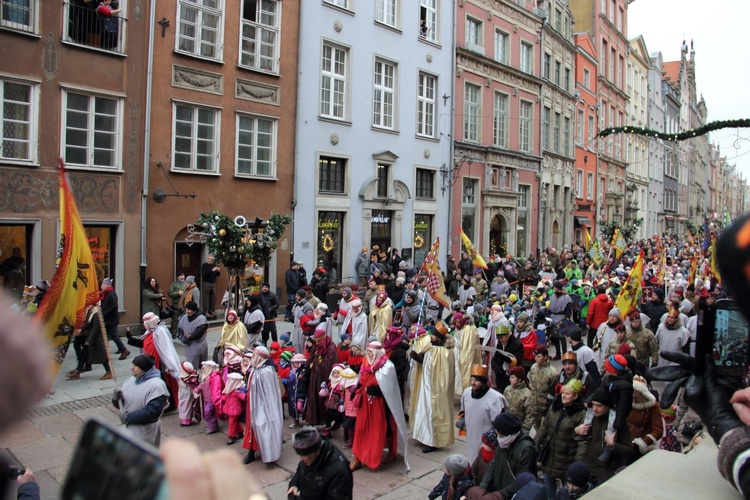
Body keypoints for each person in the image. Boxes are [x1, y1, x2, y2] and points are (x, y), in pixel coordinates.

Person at [350, 341, 410, 471]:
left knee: (377, 431)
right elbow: (361, 379)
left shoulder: (387, 367)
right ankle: (358, 458)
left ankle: (380, 456)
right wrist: (356, 390)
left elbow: (389, 389)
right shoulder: (365, 363)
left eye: (372, 353)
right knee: (360, 430)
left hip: (379, 405)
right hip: (365, 405)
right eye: (368, 352)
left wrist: (375, 390)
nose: (369, 355)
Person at [465, 413, 537, 500]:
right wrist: (482, 489)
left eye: (500, 435)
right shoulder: (504, 443)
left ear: (510, 434)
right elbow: (492, 466)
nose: (498, 438)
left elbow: (521, 480)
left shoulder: (527, 450)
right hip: (498, 491)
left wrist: (499, 495)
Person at [534, 380, 587, 499]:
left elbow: (582, 443)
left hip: (567, 458)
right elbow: (544, 428)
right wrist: (535, 444)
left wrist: (576, 465)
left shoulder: (580, 414)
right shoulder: (555, 407)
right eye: (563, 393)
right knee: (548, 480)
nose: (563, 395)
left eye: (567, 394)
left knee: (566, 488)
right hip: (550, 455)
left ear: (575, 396)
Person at [411, 321, 456, 453]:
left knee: (434, 413)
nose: (431, 337)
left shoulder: (446, 352)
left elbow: (444, 373)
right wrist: (417, 357)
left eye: (434, 335)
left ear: (440, 338)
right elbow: (426, 363)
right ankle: (424, 436)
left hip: (437, 390)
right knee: (425, 411)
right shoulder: (431, 348)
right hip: (427, 385)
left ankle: (433, 441)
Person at [126, 312, 181, 413]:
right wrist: (129, 337)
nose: (144, 324)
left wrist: (169, 365)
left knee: (165, 384)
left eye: (145, 322)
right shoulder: (150, 332)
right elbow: (143, 343)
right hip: (152, 364)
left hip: (161, 364)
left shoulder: (160, 332)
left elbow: (166, 350)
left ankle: (170, 403)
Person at [577, 386, 632, 482]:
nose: (595, 409)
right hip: (590, 469)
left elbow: (629, 449)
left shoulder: (618, 423)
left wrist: (613, 445)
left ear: (608, 406)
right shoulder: (591, 418)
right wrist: (576, 431)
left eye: (599, 406)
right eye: (593, 405)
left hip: (607, 473)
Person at [112, 354, 168, 447]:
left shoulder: (157, 385)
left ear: (144, 368)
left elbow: (153, 412)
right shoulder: (130, 380)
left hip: (146, 431)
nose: (132, 368)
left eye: (136, 366)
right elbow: (122, 405)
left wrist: (129, 417)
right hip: (129, 428)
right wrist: (116, 399)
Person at [457, 364, 508, 464]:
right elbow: (463, 410)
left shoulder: (495, 398)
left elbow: (500, 424)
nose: (473, 383)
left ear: (484, 382)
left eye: (476, 380)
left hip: (487, 443)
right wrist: (462, 419)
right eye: (472, 380)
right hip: (471, 438)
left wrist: (490, 441)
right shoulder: (467, 393)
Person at [242, 346, 284, 464]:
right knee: (252, 428)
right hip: (252, 405)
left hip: (262, 407)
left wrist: (264, 408)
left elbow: (269, 394)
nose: (252, 358)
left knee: (263, 427)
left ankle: (268, 451)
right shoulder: (255, 369)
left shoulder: (266, 372)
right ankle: (251, 451)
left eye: (255, 356)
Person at [288, 426, 353, 499]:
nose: (301, 459)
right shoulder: (309, 455)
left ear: (317, 451)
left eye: (304, 455)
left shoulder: (339, 470)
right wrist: (294, 484)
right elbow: (300, 471)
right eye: (300, 455)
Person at [67, 304, 113, 381]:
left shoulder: (97, 314)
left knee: (102, 357)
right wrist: (81, 330)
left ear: (94, 305)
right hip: (92, 338)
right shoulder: (90, 313)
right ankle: (77, 372)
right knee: (83, 354)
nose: (88, 306)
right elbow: (88, 325)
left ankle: (109, 372)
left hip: (97, 340)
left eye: (90, 305)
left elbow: (95, 329)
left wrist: (88, 340)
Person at [303, 327, 339, 425]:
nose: (317, 343)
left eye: (319, 341)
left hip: (325, 377)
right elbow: (311, 358)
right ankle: (313, 419)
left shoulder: (331, 347)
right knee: (313, 397)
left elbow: (330, 362)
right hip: (314, 377)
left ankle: (326, 421)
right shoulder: (316, 346)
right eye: (316, 341)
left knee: (324, 399)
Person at [627, 374, 663, 460]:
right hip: (626, 444)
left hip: (642, 448)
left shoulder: (653, 407)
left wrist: (642, 443)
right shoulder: (628, 403)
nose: (634, 398)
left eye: (636, 396)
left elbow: (657, 430)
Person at [528, 347, 558, 432]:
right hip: (534, 404)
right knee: (536, 427)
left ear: (545, 357)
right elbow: (531, 383)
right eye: (535, 356)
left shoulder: (552, 372)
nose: (536, 358)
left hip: (546, 406)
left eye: (538, 356)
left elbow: (554, 392)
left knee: (546, 429)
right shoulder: (533, 367)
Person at [100, 278, 129, 360]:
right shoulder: (106, 294)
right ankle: (108, 351)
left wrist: (104, 314)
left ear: (107, 285)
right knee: (108, 336)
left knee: (113, 335)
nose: (101, 286)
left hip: (111, 320)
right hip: (108, 319)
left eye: (102, 285)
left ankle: (124, 350)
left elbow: (114, 306)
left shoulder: (111, 294)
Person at [177, 301, 209, 369]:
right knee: (191, 363)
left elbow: (199, 332)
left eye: (189, 309)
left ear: (194, 310)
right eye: (186, 309)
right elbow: (179, 328)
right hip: (189, 345)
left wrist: (190, 337)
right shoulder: (185, 317)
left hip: (198, 344)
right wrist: (181, 336)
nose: (187, 311)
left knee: (202, 364)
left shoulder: (201, 319)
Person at [504, 366, 534, 432]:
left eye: (512, 377)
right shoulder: (507, 389)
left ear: (519, 379)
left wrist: (525, 429)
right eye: (510, 377)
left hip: (519, 426)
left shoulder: (527, 394)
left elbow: (530, 414)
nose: (510, 379)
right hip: (506, 424)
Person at [177, 361, 201, 427]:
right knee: (184, 405)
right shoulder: (186, 377)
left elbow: (192, 387)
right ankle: (185, 418)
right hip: (183, 393)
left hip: (187, 394)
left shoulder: (188, 379)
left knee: (187, 406)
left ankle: (186, 420)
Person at [167, 272, 186, 337]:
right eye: (181, 276)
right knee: (175, 319)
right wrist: (178, 293)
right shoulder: (174, 284)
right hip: (176, 304)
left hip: (185, 304)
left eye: (183, 276)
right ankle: (173, 332)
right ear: (178, 277)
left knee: (185, 319)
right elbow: (170, 293)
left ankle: (183, 332)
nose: (182, 277)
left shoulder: (186, 284)